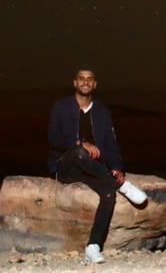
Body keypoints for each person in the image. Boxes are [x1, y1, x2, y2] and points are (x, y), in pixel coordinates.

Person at [48, 67, 148, 264]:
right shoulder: (61, 106)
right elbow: (53, 138)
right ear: (75, 83)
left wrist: (117, 167)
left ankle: (93, 246)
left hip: (93, 168)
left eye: (90, 79)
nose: (85, 82)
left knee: (108, 192)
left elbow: (110, 143)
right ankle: (121, 185)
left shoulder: (102, 110)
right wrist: (78, 143)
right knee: (79, 153)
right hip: (67, 165)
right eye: (81, 78)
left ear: (94, 84)